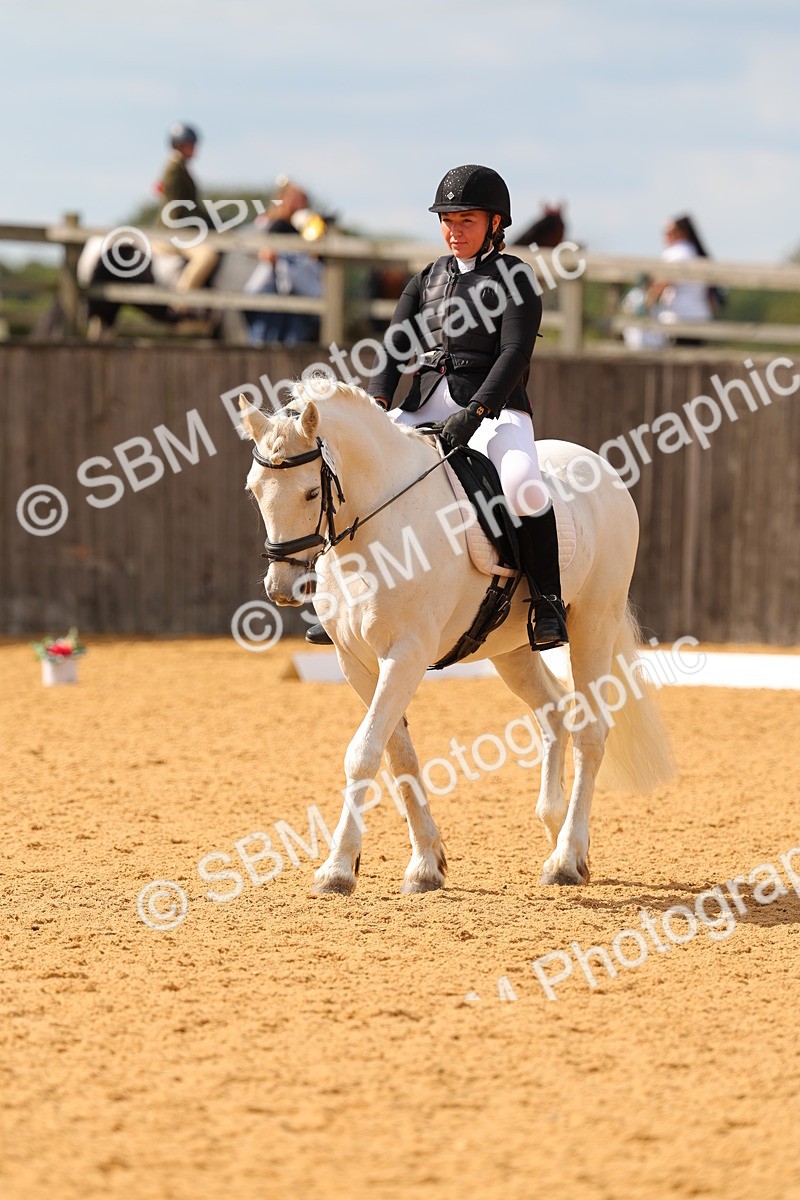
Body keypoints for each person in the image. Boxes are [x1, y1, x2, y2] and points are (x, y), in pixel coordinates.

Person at [306, 163, 568, 652]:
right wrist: (377, 404)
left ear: (494, 223)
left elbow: (514, 353)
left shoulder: (516, 278)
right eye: (447, 221)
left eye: (466, 221)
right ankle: (338, 596)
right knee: (350, 475)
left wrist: (477, 412)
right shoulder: (425, 279)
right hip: (423, 404)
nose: (454, 231)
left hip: (493, 409)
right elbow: (393, 350)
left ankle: (548, 603)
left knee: (523, 486)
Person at [243, 180, 323, 345]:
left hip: (293, 292)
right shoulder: (274, 224)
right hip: (270, 290)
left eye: (301, 200)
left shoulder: (306, 227)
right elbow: (266, 253)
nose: (298, 204)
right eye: (294, 199)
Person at [156, 123, 219, 300]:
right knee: (207, 256)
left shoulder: (182, 167)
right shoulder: (174, 170)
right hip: (173, 230)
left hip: (183, 227)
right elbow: (178, 208)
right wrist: (205, 223)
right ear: (180, 145)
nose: (195, 149)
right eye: (192, 144)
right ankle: (181, 300)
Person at [647, 214, 720, 345]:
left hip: (677, 317)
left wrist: (647, 302)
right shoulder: (696, 253)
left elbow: (663, 283)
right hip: (700, 317)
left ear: (681, 232)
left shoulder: (674, 254)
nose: (665, 236)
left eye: (669, 232)